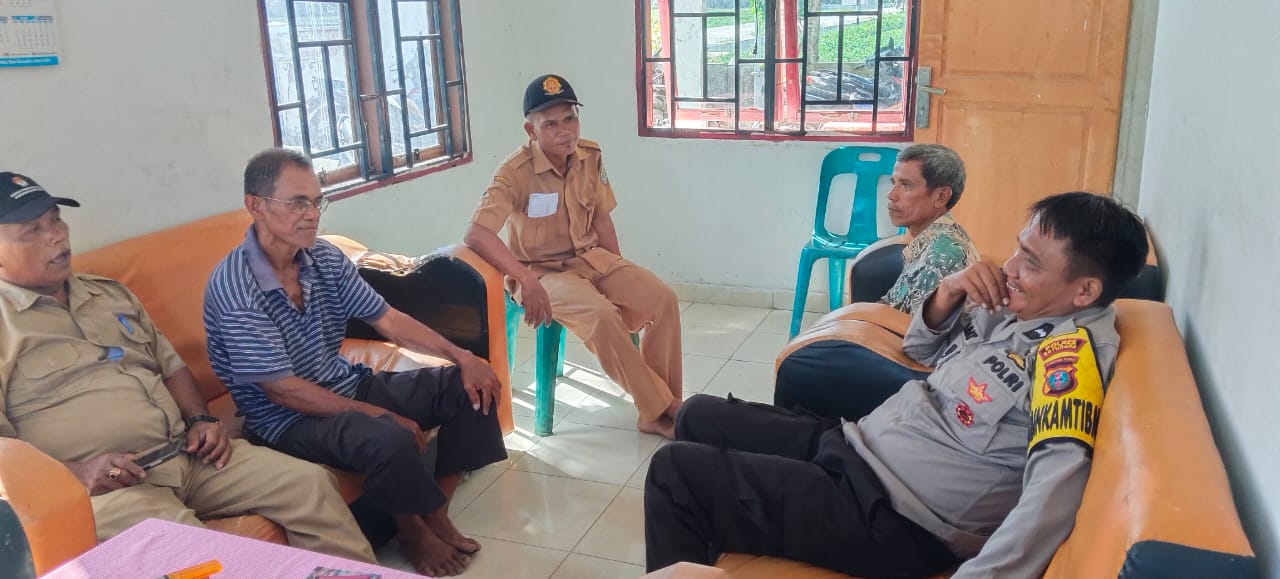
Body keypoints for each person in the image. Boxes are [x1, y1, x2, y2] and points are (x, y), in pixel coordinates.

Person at [645, 192, 1149, 578]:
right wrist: (950, 290)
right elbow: (922, 350)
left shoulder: (1070, 360)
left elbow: (1053, 493)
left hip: (894, 517)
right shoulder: (1019, 310)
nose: (1010, 268)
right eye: (1019, 251)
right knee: (697, 414)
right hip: (857, 447)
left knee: (677, 473)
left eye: (1032, 263)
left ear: (1086, 290)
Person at [0, 171, 374, 562]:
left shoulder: (109, 294)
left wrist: (201, 420)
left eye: (56, 219)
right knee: (199, 556)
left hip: (189, 456)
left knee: (309, 483)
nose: (57, 235)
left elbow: (171, 367)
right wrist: (73, 474)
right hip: (111, 490)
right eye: (32, 231)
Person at [202, 150, 507, 577]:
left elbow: (389, 320)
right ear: (256, 205)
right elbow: (281, 389)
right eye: (298, 202)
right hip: (283, 419)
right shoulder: (235, 287)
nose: (312, 215)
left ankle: (434, 509)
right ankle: (413, 530)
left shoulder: (323, 258)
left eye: (317, 202)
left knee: (471, 385)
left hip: (344, 382)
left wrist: (464, 356)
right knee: (389, 436)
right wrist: (383, 414)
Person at [463, 74, 684, 438]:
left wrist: (621, 270)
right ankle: (665, 410)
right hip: (541, 272)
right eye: (550, 124)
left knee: (662, 299)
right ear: (530, 130)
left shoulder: (590, 157)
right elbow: (476, 233)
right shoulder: (514, 173)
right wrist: (526, 279)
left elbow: (601, 218)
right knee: (601, 315)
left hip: (590, 258)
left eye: (570, 119)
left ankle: (660, 407)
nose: (565, 131)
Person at [775, 144, 981, 421]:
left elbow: (914, 339)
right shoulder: (932, 236)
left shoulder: (944, 252)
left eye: (905, 185)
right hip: (890, 341)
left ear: (941, 196)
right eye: (893, 182)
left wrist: (851, 323)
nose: (891, 195)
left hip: (920, 371)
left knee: (801, 365)